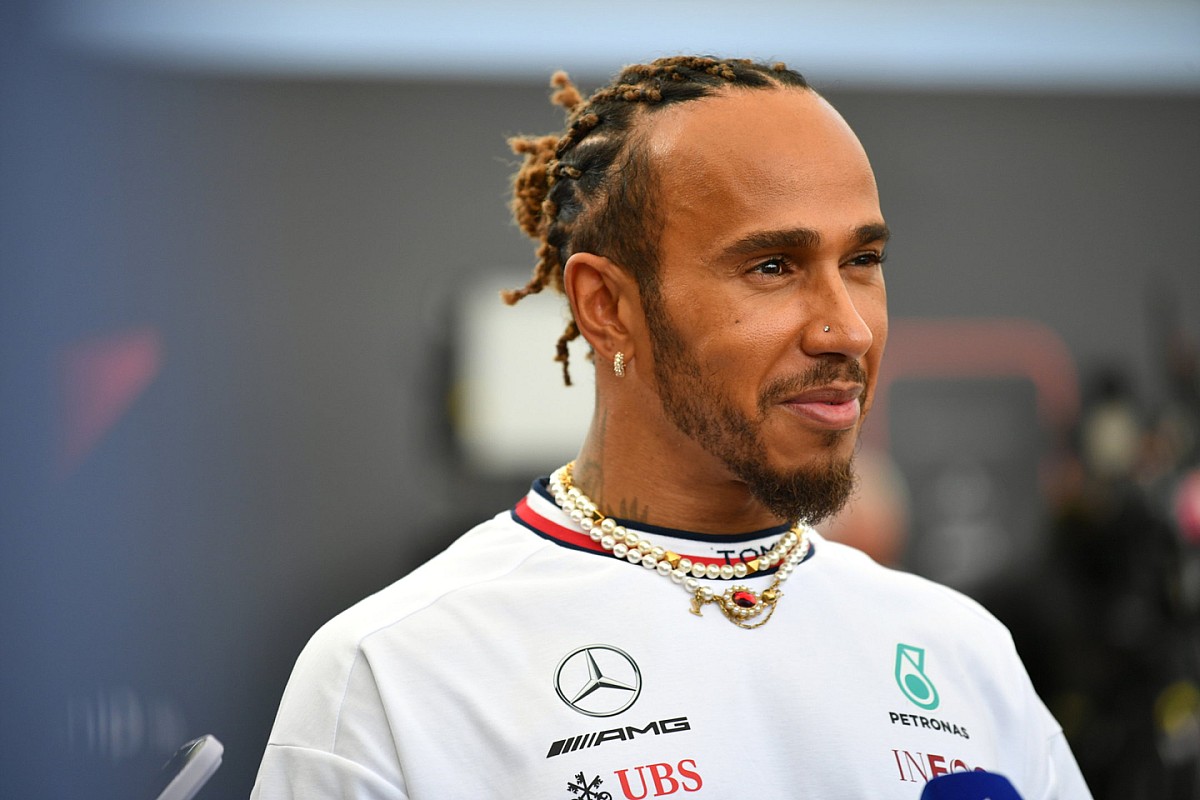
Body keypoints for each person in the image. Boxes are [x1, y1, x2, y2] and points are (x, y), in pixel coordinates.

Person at [251, 56, 1092, 799]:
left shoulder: (963, 653)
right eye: (773, 266)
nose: (847, 329)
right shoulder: (395, 671)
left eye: (862, 261)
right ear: (606, 307)